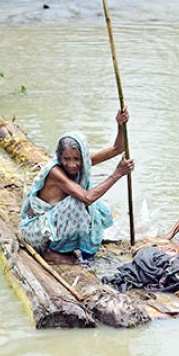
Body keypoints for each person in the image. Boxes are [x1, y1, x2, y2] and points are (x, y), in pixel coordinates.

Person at [19, 107, 135, 264]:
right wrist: (117, 174)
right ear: (60, 157)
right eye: (66, 159)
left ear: (83, 157)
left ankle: (70, 246)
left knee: (98, 207)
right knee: (77, 201)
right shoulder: (55, 171)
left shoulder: (83, 162)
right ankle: (52, 252)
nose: (72, 165)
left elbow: (118, 148)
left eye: (76, 159)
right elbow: (87, 198)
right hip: (36, 233)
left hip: (50, 227)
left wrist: (120, 125)